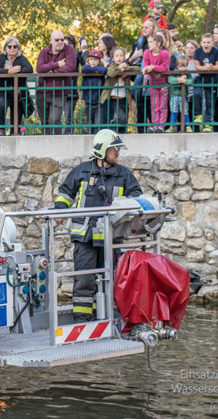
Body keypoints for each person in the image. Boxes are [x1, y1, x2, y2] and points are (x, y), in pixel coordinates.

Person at [53, 129, 142, 322]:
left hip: (112, 238)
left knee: (112, 281)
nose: (117, 152)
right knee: (84, 281)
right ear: (102, 150)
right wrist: (59, 210)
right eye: (113, 149)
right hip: (85, 237)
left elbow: (137, 197)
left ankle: (107, 319)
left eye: (118, 149)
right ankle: (82, 322)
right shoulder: (82, 171)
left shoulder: (123, 175)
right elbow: (65, 194)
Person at [36, 30, 77, 135]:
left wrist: (51, 72)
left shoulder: (69, 49)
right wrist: (57, 64)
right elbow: (40, 68)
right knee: (44, 123)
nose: (60, 42)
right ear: (51, 40)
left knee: (54, 120)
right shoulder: (44, 52)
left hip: (59, 92)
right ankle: (46, 145)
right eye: (57, 40)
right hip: (43, 92)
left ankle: (58, 144)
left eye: (62, 40)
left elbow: (70, 67)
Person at [0, 37, 33, 135]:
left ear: (18, 49)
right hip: (3, 90)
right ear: (5, 48)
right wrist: (8, 71)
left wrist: (15, 70)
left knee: (17, 110)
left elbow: (29, 69)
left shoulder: (21, 58)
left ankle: (15, 130)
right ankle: (1, 128)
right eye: (9, 46)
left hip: (17, 92)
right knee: (1, 104)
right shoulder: (1, 58)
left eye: (15, 46)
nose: (12, 48)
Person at [130, 19, 158, 133]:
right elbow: (130, 60)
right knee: (140, 108)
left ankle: (154, 129)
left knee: (151, 107)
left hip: (152, 80)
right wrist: (135, 56)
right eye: (143, 27)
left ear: (153, 29)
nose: (144, 29)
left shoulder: (157, 43)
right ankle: (141, 132)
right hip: (140, 79)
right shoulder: (138, 43)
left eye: (147, 27)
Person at [193, 33, 218, 132]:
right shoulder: (197, 51)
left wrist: (212, 67)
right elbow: (196, 66)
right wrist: (204, 68)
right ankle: (198, 115)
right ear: (201, 43)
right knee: (197, 93)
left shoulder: (217, 52)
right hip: (201, 77)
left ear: (212, 43)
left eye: (208, 42)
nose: (206, 44)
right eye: (204, 42)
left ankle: (208, 124)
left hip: (213, 78)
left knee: (210, 100)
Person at [101, 47, 134, 134]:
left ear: (124, 58)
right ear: (113, 58)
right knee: (122, 118)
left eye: (121, 56)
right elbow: (111, 73)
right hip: (115, 98)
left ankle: (121, 135)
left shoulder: (126, 66)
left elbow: (137, 69)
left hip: (125, 98)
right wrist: (119, 69)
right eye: (116, 56)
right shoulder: (111, 66)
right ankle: (113, 124)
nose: (119, 58)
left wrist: (125, 70)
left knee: (125, 121)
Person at [143, 33, 170, 133]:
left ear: (158, 43)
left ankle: (161, 125)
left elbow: (165, 67)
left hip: (163, 83)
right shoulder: (147, 53)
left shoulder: (164, 53)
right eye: (148, 42)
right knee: (154, 105)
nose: (149, 44)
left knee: (162, 105)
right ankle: (154, 124)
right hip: (153, 82)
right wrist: (148, 69)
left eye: (151, 42)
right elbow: (146, 66)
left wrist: (153, 67)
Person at [81, 50, 107, 132]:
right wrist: (95, 69)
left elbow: (104, 70)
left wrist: (95, 69)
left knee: (98, 123)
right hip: (88, 101)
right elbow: (84, 68)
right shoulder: (86, 68)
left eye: (95, 60)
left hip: (98, 101)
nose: (93, 61)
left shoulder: (100, 69)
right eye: (91, 59)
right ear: (88, 60)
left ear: (99, 61)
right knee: (90, 123)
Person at [168, 55, 193, 132]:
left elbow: (190, 81)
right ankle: (171, 127)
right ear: (177, 66)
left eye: (184, 66)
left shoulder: (187, 74)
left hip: (183, 96)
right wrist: (179, 79)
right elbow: (170, 80)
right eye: (180, 66)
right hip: (174, 96)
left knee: (185, 112)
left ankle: (188, 126)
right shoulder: (174, 73)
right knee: (174, 112)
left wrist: (185, 81)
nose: (182, 68)